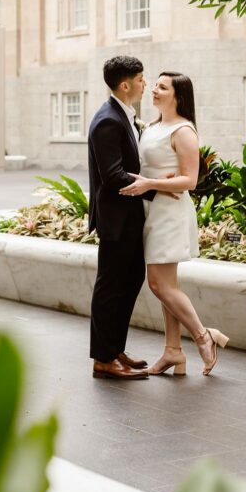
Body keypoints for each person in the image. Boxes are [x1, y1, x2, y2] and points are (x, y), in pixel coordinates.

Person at [120, 72, 229, 376]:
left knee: (158, 283)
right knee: (168, 285)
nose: (154, 90)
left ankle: (204, 336)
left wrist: (153, 183)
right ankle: (173, 352)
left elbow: (190, 180)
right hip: (151, 210)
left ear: (178, 96)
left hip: (169, 213)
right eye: (154, 85)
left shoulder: (184, 131)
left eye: (162, 87)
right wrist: (155, 180)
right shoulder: (154, 127)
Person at [87, 55, 156, 380]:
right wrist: (156, 188)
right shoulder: (108, 120)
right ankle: (103, 360)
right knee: (111, 287)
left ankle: (115, 349)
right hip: (116, 219)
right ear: (126, 84)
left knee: (130, 281)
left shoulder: (123, 115)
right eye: (141, 79)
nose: (145, 84)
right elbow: (113, 176)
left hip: (129, 216)